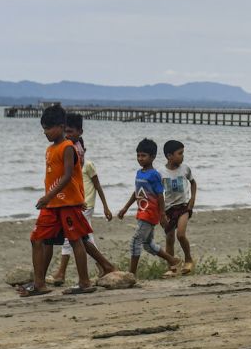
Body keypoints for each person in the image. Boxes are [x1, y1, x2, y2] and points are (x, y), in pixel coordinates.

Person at [21, 105, 96, 297]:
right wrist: (48, 198)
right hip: (52, 205)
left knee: (75, 240)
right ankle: (39, 283)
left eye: (49, 128)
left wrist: (48, 196)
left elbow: (67, 175)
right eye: (44, 128)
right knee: (37, 238)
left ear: (61, 126)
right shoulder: (49, 149)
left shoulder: (67, 147)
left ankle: (85, 282)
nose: (45, 132)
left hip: (68, 203)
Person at [50, 113, 114, 286]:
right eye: (66, 131)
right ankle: (104, 266)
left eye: (70, 131)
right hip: (75, 201)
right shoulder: (70, 147)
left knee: (75, 238)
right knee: (83, 237)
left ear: (80, 132)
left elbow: (90, 183)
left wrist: (105, 207)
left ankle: (65, 274)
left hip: (80, 203)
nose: (67, 134)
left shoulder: (74, 150)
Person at [117, 138, 183, 277]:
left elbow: (160, 195)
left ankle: (131, 274)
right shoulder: (139, 173)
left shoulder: (154, 175)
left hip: (150, 213)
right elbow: (137, 193)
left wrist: (162, 215)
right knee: (147, 244)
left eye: (143, 155)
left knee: (136, 241)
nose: (140, 158)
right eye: (138, 155)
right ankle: (173, 260)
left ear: (152, 157)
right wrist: (125, 208)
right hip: (142, 211)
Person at [161, 140, 197, 274]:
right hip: (168, 209)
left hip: (183, 207)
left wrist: (192, 200)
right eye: (180, 153)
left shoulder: (185, 169)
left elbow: (193, 183)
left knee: (180, 234)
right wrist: (161, 213)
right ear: (169, 156)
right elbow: (158, 193)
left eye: (183, 153)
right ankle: (172, 267)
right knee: (169, 239)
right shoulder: (161, 172)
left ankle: (188, 260)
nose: (183, 156)